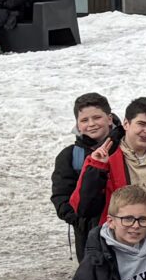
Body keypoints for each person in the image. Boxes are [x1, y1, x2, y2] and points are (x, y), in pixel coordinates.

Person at [71, 97, 146, 232]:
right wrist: (96, 168)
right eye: (141, 124)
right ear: (126, 124)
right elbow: (83, 208)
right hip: (117, 243)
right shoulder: (101, 158)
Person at [52, 95, 124, 251]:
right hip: (88, 238)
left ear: (109, 118)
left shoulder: (128, 148)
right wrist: (82, 222)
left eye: (97, 117)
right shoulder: (69, 156)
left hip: (130, 230)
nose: (91, 124)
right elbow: (61, 197)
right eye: (84, 120)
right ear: (77, 124)